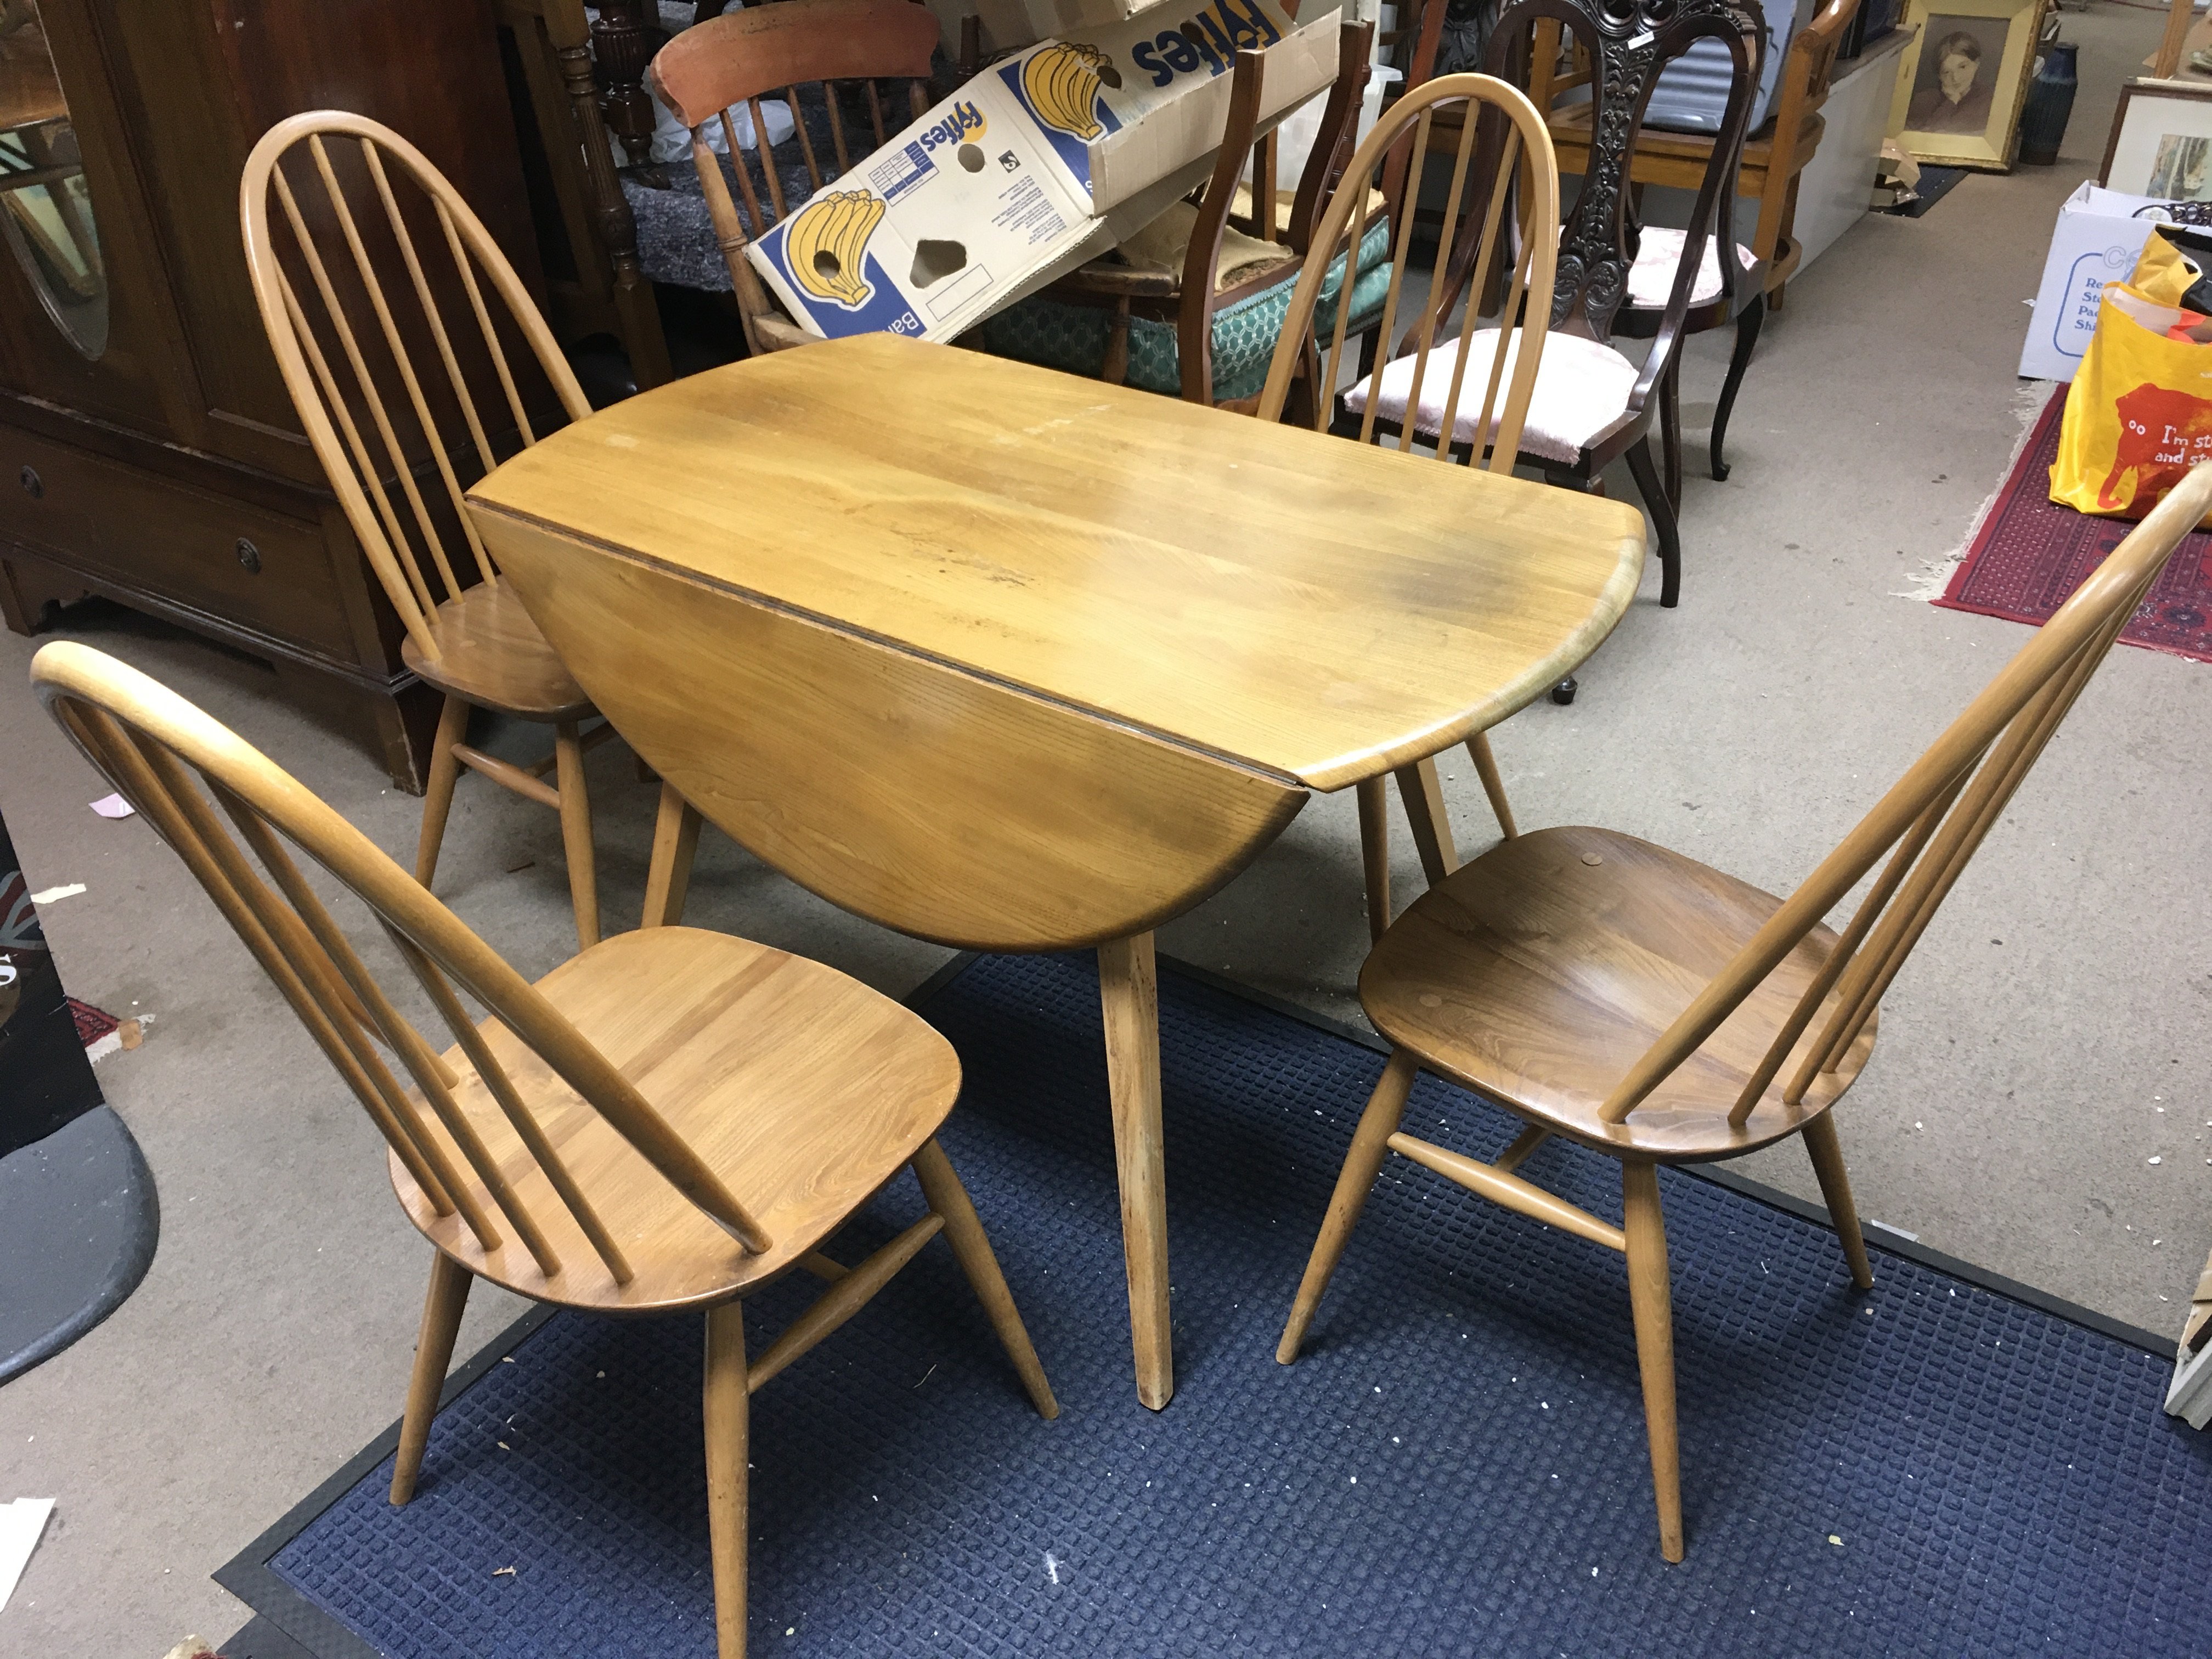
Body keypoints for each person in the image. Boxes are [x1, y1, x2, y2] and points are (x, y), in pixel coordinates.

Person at [1908, 30, 1995, 135]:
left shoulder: (1988, 101)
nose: (1956, 78)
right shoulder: (1925, 100)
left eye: (1963, 67)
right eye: (1947, 72)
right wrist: (1951, 102)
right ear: (1939, 76)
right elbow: (1924, 137)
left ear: (1976, 64)